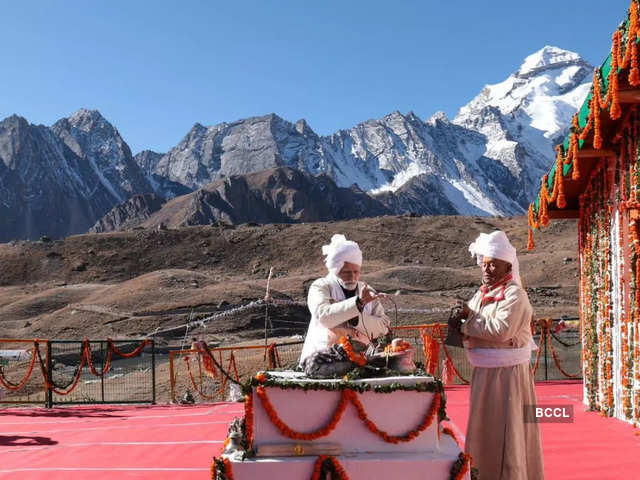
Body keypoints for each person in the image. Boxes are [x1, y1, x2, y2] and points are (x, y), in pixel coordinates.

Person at [450, 230, 544, 480]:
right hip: (485, 375)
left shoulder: (515, 295)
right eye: (485, 264)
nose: (487, 269)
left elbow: (501, 330)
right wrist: (458, 324)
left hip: (508, 377)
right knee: (484, 433)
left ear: (507, 267)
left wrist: (467, 319)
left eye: (494, 264)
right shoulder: (480, 294)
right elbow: (473, 327)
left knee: (508, 433)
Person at [299, 234, 390, 365]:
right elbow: (324, 316)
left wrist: (357, 320)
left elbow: (383, 326)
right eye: (346, 272)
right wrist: (358, 304)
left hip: (361, 361)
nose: (352, 277)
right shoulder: (321, 286)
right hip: (321, 361)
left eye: (356, 272)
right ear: (335, 269)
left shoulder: (366, 290)